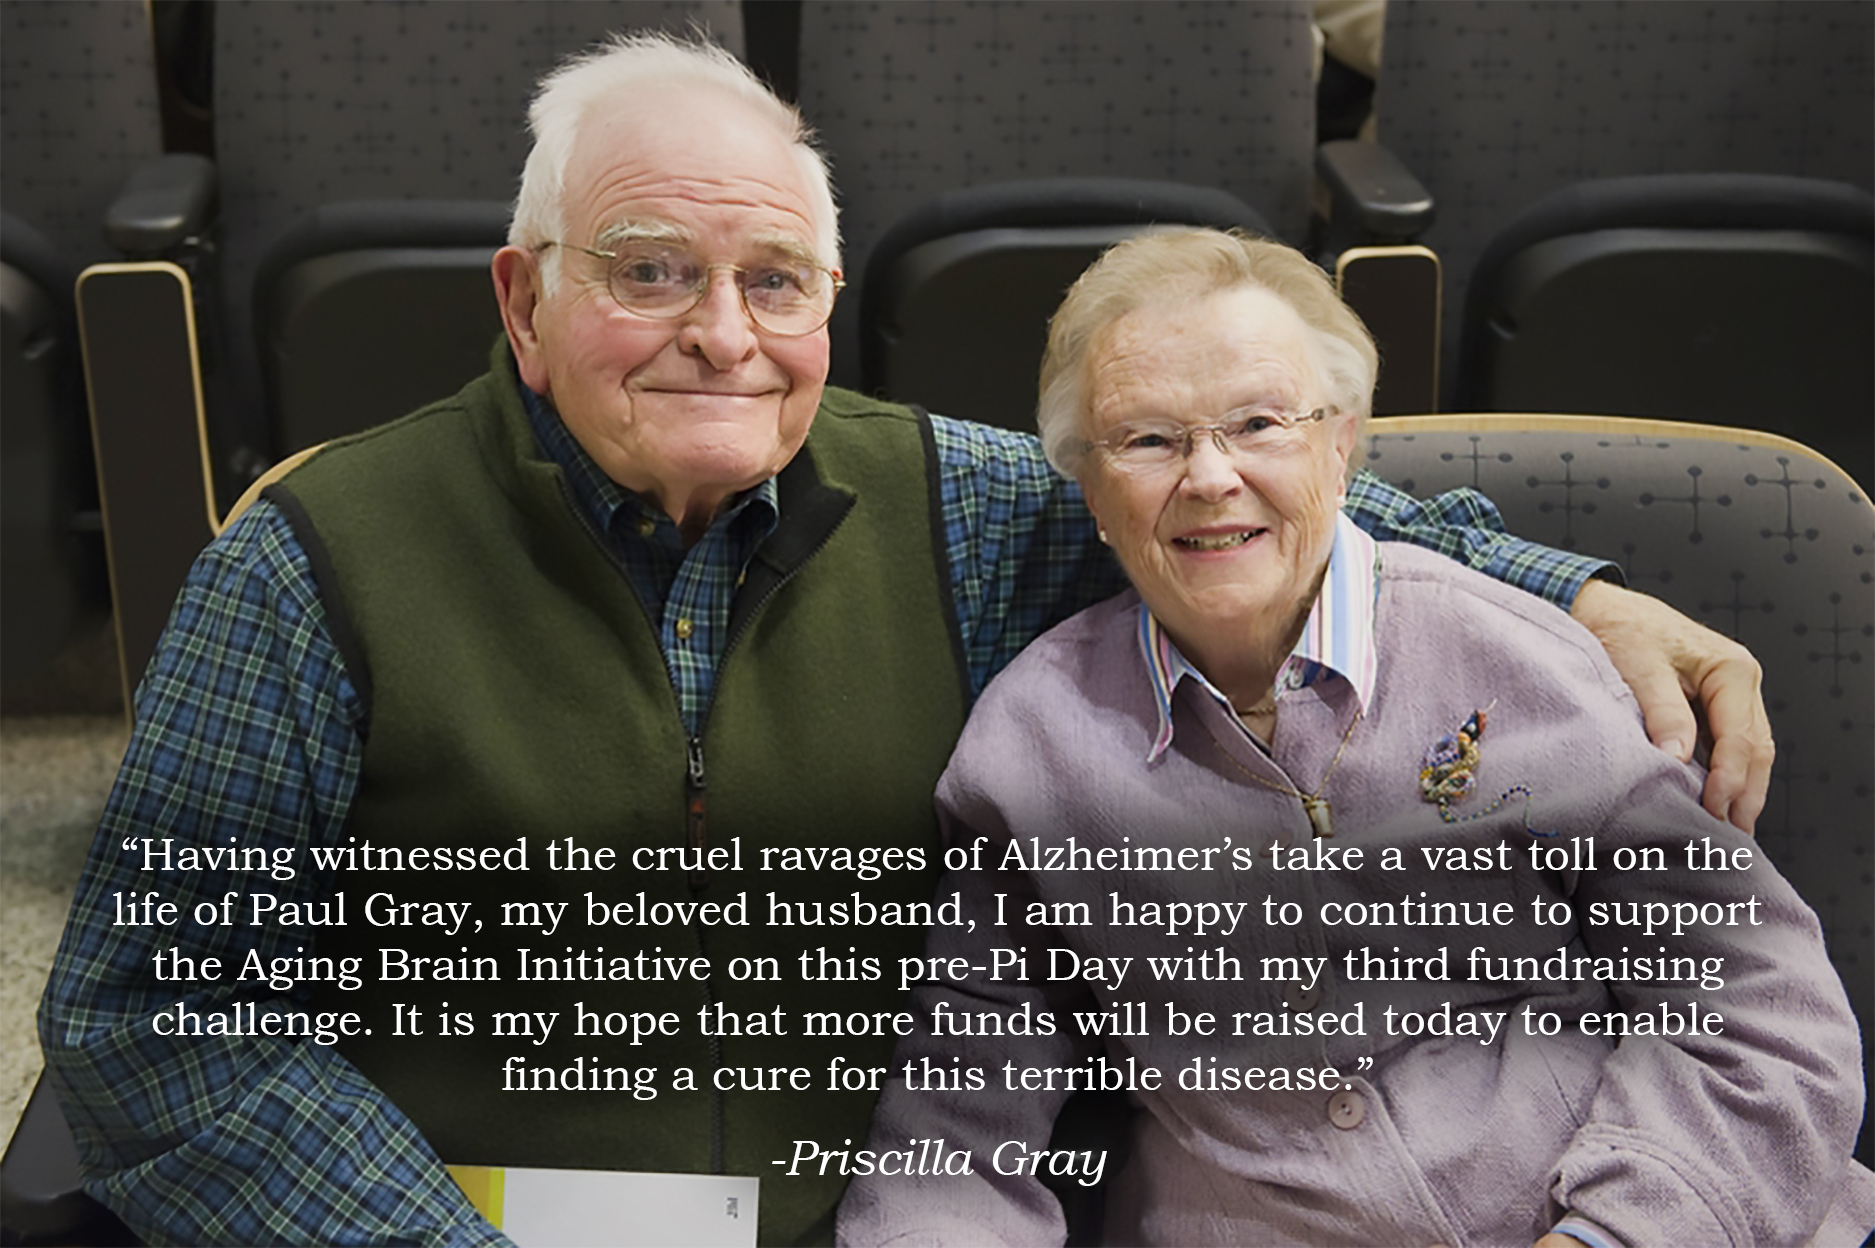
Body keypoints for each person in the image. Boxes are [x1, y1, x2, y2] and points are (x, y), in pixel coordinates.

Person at [39, 32, 1772, 1248]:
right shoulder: (306, 567)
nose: (724, 334)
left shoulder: (962, 501)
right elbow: (154, 1021)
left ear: (829, 308)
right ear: (523, 297)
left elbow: (1240, 510)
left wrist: (1572, 592)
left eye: (777, 281)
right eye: (648, 270)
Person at [836, 229, 1874, 1247]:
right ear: (1090, 490)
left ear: (1340, 445)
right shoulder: (1029, 747)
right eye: (1148, 439)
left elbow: (1760, 1012)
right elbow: (958, 1126)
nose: (1209, 476)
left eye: (1258, 422)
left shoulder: (1522, 658)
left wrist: (1621, 1231)